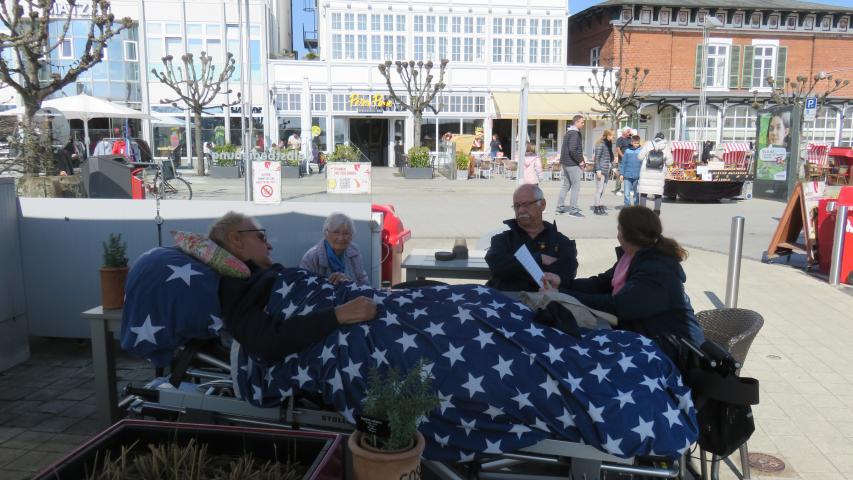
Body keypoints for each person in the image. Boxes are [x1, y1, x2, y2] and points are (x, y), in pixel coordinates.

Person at [210, 212, 376, 363]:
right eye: (261, 237)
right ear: (236, 240)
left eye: (346, 233)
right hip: (355, 320)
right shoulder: (234, 285)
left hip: (358, 302)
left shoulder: (264, 275)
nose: (269, 246)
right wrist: (339, 314)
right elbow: (266, 340)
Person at [541, 206, 704, 359]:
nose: (617, 234)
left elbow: (619, 307)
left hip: (675, 349)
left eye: (619, 229)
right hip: (647, 335)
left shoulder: (657, 270)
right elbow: (600, 283)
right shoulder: (633, 257)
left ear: (629, 235)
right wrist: (562, 283)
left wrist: (562, 295)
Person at [486, 184, 578, 292]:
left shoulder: (561, 242)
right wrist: (539, 258)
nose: (520, 210)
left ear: (542, 204)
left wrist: (515, 269)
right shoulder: (503, 239)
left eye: (526, 204)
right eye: (517, 206)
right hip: (506, 302)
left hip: (545, 304)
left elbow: (568, 273)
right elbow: (497, 267)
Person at [300, 212, 369, 285]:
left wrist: (348, 281)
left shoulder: (354, 251)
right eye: (336, 232)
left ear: (351, 236)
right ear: (326, 233)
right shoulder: (312, 256)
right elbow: (303, 287)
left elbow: (364, 282)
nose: (341, 238)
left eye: (346, 233)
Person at [555, 115, 585, 218]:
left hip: (566, 162)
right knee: (575, 187)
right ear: (576, 122)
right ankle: (573, 210)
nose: (583, 124)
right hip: (572, 163)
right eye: (582, 122)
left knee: (566, 186)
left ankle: (559, 208)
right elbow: (573, 149)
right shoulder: (574, 134)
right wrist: (580, 161)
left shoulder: (568, 133)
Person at [638, 132, 674, 216]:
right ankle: (656, 212)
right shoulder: (666, 146)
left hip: (646, 172)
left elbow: (640, 157)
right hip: (659, 173)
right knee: (658, 193)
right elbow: (670, 162)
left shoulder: (648, 144)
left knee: (644, 192)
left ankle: (643, 211)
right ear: (663, 138)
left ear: (655, 138)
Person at [592, 129, 614, 216]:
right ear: (607, 135)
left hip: (606, 169)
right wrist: (598, 170)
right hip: (600, 169)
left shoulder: (609, 144)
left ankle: (599, 204)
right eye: (612, 135)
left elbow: (610, 156)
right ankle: (596, 207)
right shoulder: (600, 144)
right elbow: (596, 158)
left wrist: (614, 166)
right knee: (599, 189)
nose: (613, 137)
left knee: (603, 190)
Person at [621, 135, 643, 207]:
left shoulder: (641, 150)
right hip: (627, 175)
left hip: (637, 175)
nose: (636, 144)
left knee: (636, 193)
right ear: (632, 142)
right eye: (635, 143)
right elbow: (623, 163)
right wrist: (622, 174)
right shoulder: (627, 151)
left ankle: (636, 207)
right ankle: (627, 206)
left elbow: (643, 163)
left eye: (638, 143)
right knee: (626, 193)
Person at [613, 127, 631, 195]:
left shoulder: (630, 139)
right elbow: (618, 149)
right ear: (624, 132)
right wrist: (622, 156)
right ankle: (618, 189)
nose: (629, 133)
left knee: (629, 174)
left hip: (629, 159)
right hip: (622, 160)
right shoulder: (620, 139)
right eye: (628, 132)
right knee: (620, 174)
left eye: (629, 132)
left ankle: (629, 189)